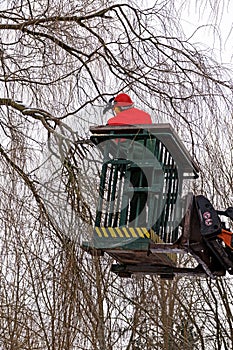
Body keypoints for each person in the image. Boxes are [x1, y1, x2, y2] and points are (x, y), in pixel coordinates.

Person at [104, 93, 153, 227]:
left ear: (119, 107)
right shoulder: (145, 116)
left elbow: (108, 129)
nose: (114, 111)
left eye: (115, 109)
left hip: (133, 159)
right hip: (150, 158)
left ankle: (134, 224)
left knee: (133, 190)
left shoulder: (117, 120)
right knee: (142, 191)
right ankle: (140, 223)